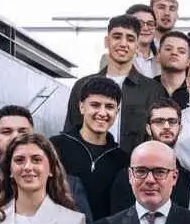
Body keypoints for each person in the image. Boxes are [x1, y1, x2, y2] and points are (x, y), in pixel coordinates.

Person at [64, 15, 169, 154]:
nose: (123, 44)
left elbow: (158, 140)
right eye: (117, 36)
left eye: (130, 39)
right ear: (107, 41)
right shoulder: (82, 85)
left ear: (137, 45)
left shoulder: (153, 90)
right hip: (87, 167)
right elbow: (70, 133)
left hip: (134, 170)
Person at [53, 78, 128, 224]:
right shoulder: (56, 147)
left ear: (117, 111)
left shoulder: (123, 160)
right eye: (95, 105)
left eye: (109, 107)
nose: (102, 113)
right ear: (82, 107)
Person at [110, 99, 190, 214]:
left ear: (180, 129)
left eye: (172, 121)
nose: (166, 126)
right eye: (159, 121)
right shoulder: (127, 177)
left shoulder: (188, 180)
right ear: (148, 129)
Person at [154, 30, 190, 108]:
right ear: (158, 56)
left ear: (189, 62)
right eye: (168, 49)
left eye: (181, 51)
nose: (174, 53)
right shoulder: (146, 89)